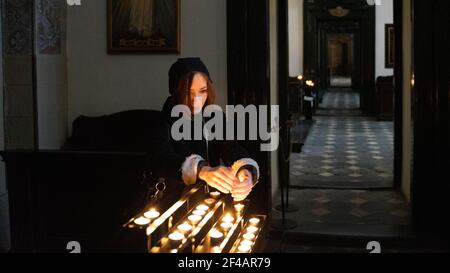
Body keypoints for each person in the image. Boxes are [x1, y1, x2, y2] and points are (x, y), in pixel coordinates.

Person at [155, 58, 259, 202]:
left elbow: (231, 147)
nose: (196, 99)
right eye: (187, 93)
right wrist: (201, 170)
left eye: (202, 91)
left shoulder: (213, 116)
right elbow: (163, 159)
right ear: (176, 92)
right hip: (173, 200)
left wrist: (246, 170)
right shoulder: (162, 119)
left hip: (208, 199)